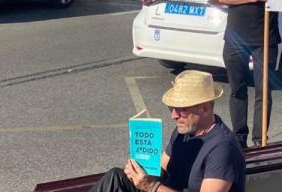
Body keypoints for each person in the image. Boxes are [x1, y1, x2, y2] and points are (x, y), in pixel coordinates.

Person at [89, 70, 245, 192]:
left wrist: (152, 187)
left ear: (204, 108)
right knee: (117, 178)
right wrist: (139, 171)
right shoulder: (183, 132)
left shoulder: (223, 148)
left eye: (181, 109)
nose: (174, 116)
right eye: (172, 108)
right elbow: (161, 169)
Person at [217, 0, 279, 149]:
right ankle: (239, 138)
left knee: (264, 92)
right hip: (235, 37)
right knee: (237, 89)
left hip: (266, 37)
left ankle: (260, 139)